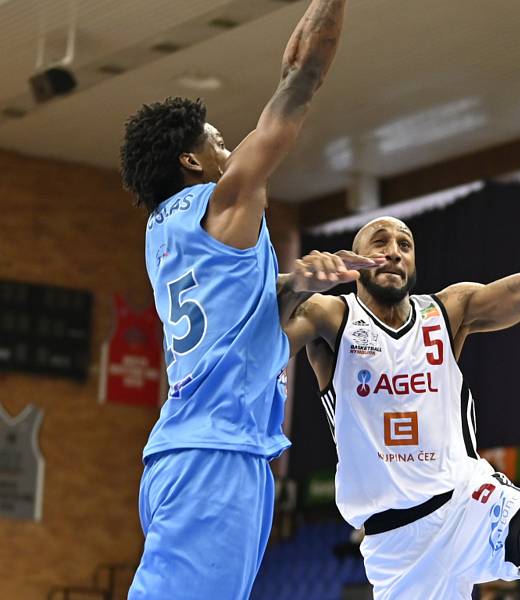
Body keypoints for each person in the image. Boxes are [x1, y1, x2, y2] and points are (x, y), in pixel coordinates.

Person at [282, 106, 520, 598]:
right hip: (397, 547)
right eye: (381, 240)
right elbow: (264, 327)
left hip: (470, 502)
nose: (395, 249)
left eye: (406, 242)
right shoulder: (332, 317)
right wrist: (294, 284)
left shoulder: (448, 310)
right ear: (355, 261)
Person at [117, 2, 376, 598]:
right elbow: (301, 80)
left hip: (195, 450)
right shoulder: (222, 201)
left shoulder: (164, 231)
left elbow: (235, 320)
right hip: (215, 453)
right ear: (191, 162)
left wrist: (297, 285)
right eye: (215, 140)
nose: (228, 146)